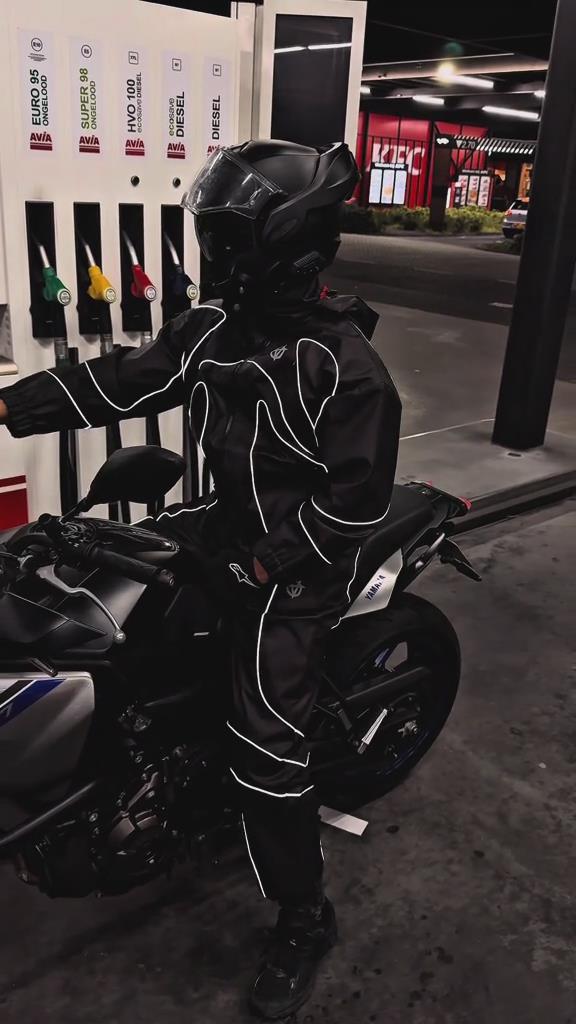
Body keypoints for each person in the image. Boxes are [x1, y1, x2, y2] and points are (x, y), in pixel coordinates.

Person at [0, 139, 401, 1019]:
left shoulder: (345, 370)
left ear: (281, 243)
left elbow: (352, 509)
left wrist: (260, 565)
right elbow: (117, 382)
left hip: (296, 569)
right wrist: (7, 404)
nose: (213, 250)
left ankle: (304, 916)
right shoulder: (216, 330)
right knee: (95, 602)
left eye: (226, 235)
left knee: (266, 745)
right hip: (222, 525)